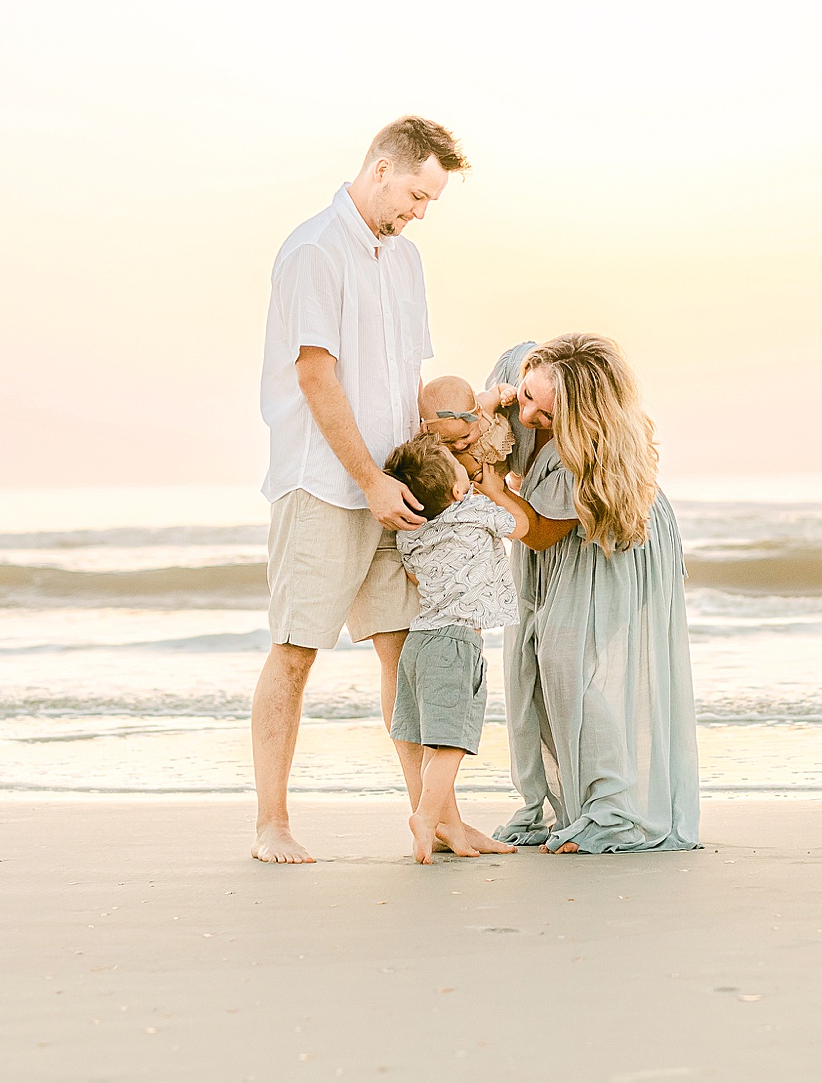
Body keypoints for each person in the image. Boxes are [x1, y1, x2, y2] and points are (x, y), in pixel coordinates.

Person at [251, 115, 466, 864]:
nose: (420, 211)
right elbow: (316, 374)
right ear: (380, 169)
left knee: (404, 653)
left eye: (430, 200)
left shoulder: (405, 261)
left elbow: (404, 384)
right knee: (295, 651)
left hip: (394, 490)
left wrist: (428, 472)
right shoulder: (314, 249)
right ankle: (270, 825)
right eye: (415, 193)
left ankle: (433, 816)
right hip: (322, 486)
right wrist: (367, 478)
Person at [480, 333, 699, 854]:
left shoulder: (587, 450)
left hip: (611, 540)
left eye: (547, 415)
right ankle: (560, 804)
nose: (529, 414)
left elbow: (538, 531)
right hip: (553, 539)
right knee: (533, 664)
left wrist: (491, 487)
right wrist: (489, 403)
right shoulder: (519, 369)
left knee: (570, 666)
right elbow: (478, 419)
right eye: (528, 394)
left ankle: (611, 809)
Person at [384, 423, 531, 863]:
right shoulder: (473, 510)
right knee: (451, 742)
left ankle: (449, 829)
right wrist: (495, 491)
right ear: (456, 489)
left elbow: (412, 572)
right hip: (456, 642)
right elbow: (521, 526)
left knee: (432, 742)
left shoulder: (409, 531)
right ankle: (426, 816)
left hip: (420, 642)